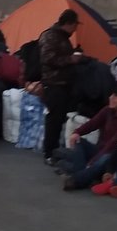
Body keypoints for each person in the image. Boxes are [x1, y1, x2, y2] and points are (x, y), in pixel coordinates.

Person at [59, 87, 117, 191]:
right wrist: (77, 132)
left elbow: (113, 144)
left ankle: (76, 180)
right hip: (99, 150)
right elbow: (92, 124)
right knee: (78, 141)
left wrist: (93, 161)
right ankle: (83, 176)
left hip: (113, 157)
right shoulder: (107, 110)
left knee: (106, 156)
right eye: (111, 95)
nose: (111, 98)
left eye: (116, 96)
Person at [38, 9, 83, 166]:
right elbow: (47, 58)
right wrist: (70, 59)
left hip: (64, 84)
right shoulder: (51, 36)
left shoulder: (63, 38)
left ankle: (56, 150)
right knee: (54, 120)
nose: (75, 29)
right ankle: (49, 152)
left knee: (59, 119)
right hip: (54, 84)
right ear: (68, 23)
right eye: (75, 25)